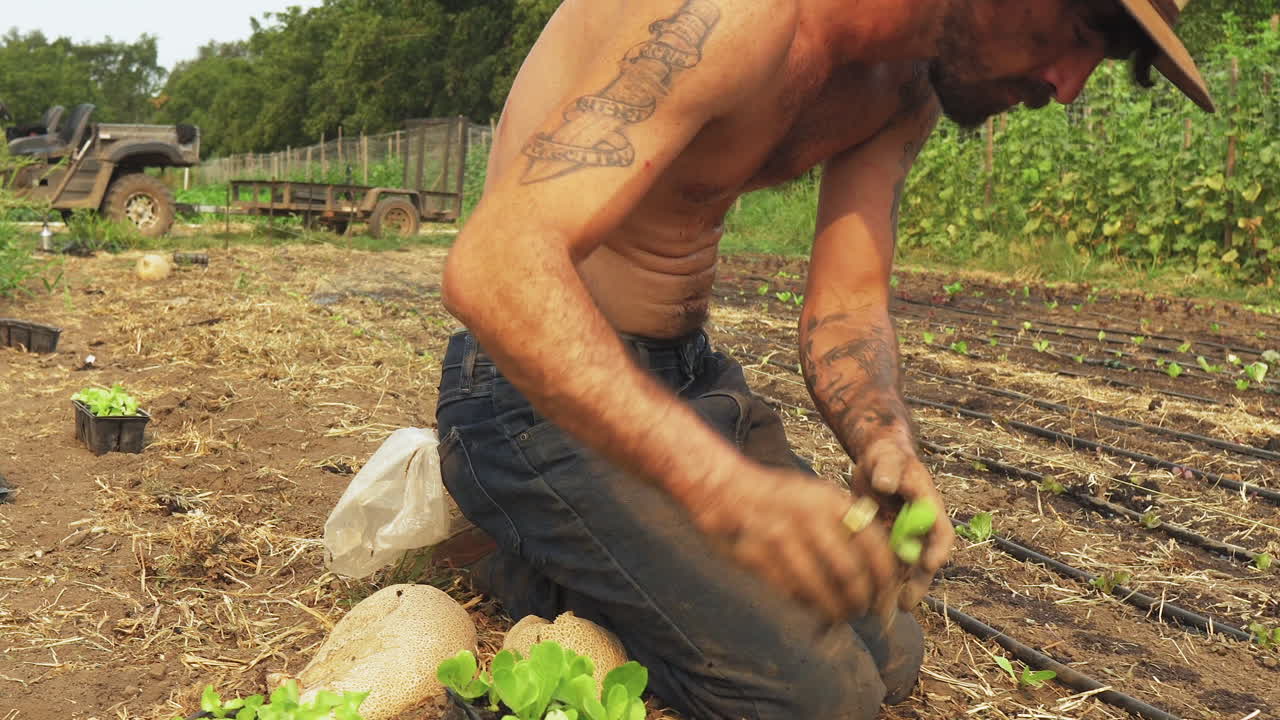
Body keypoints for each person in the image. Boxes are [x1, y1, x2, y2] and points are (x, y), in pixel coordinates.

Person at [434, 1, 1213, 717]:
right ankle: (515, 539)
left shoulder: (909, 87)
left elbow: (847, 305)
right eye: (1080, 28)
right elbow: (497, 265)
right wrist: (722, 490)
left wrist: (885, 442)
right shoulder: (732, 15)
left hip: (685, 380)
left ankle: (571, 559)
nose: (1069, 86)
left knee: (891, 653)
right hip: (528, 398)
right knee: (816, 700)